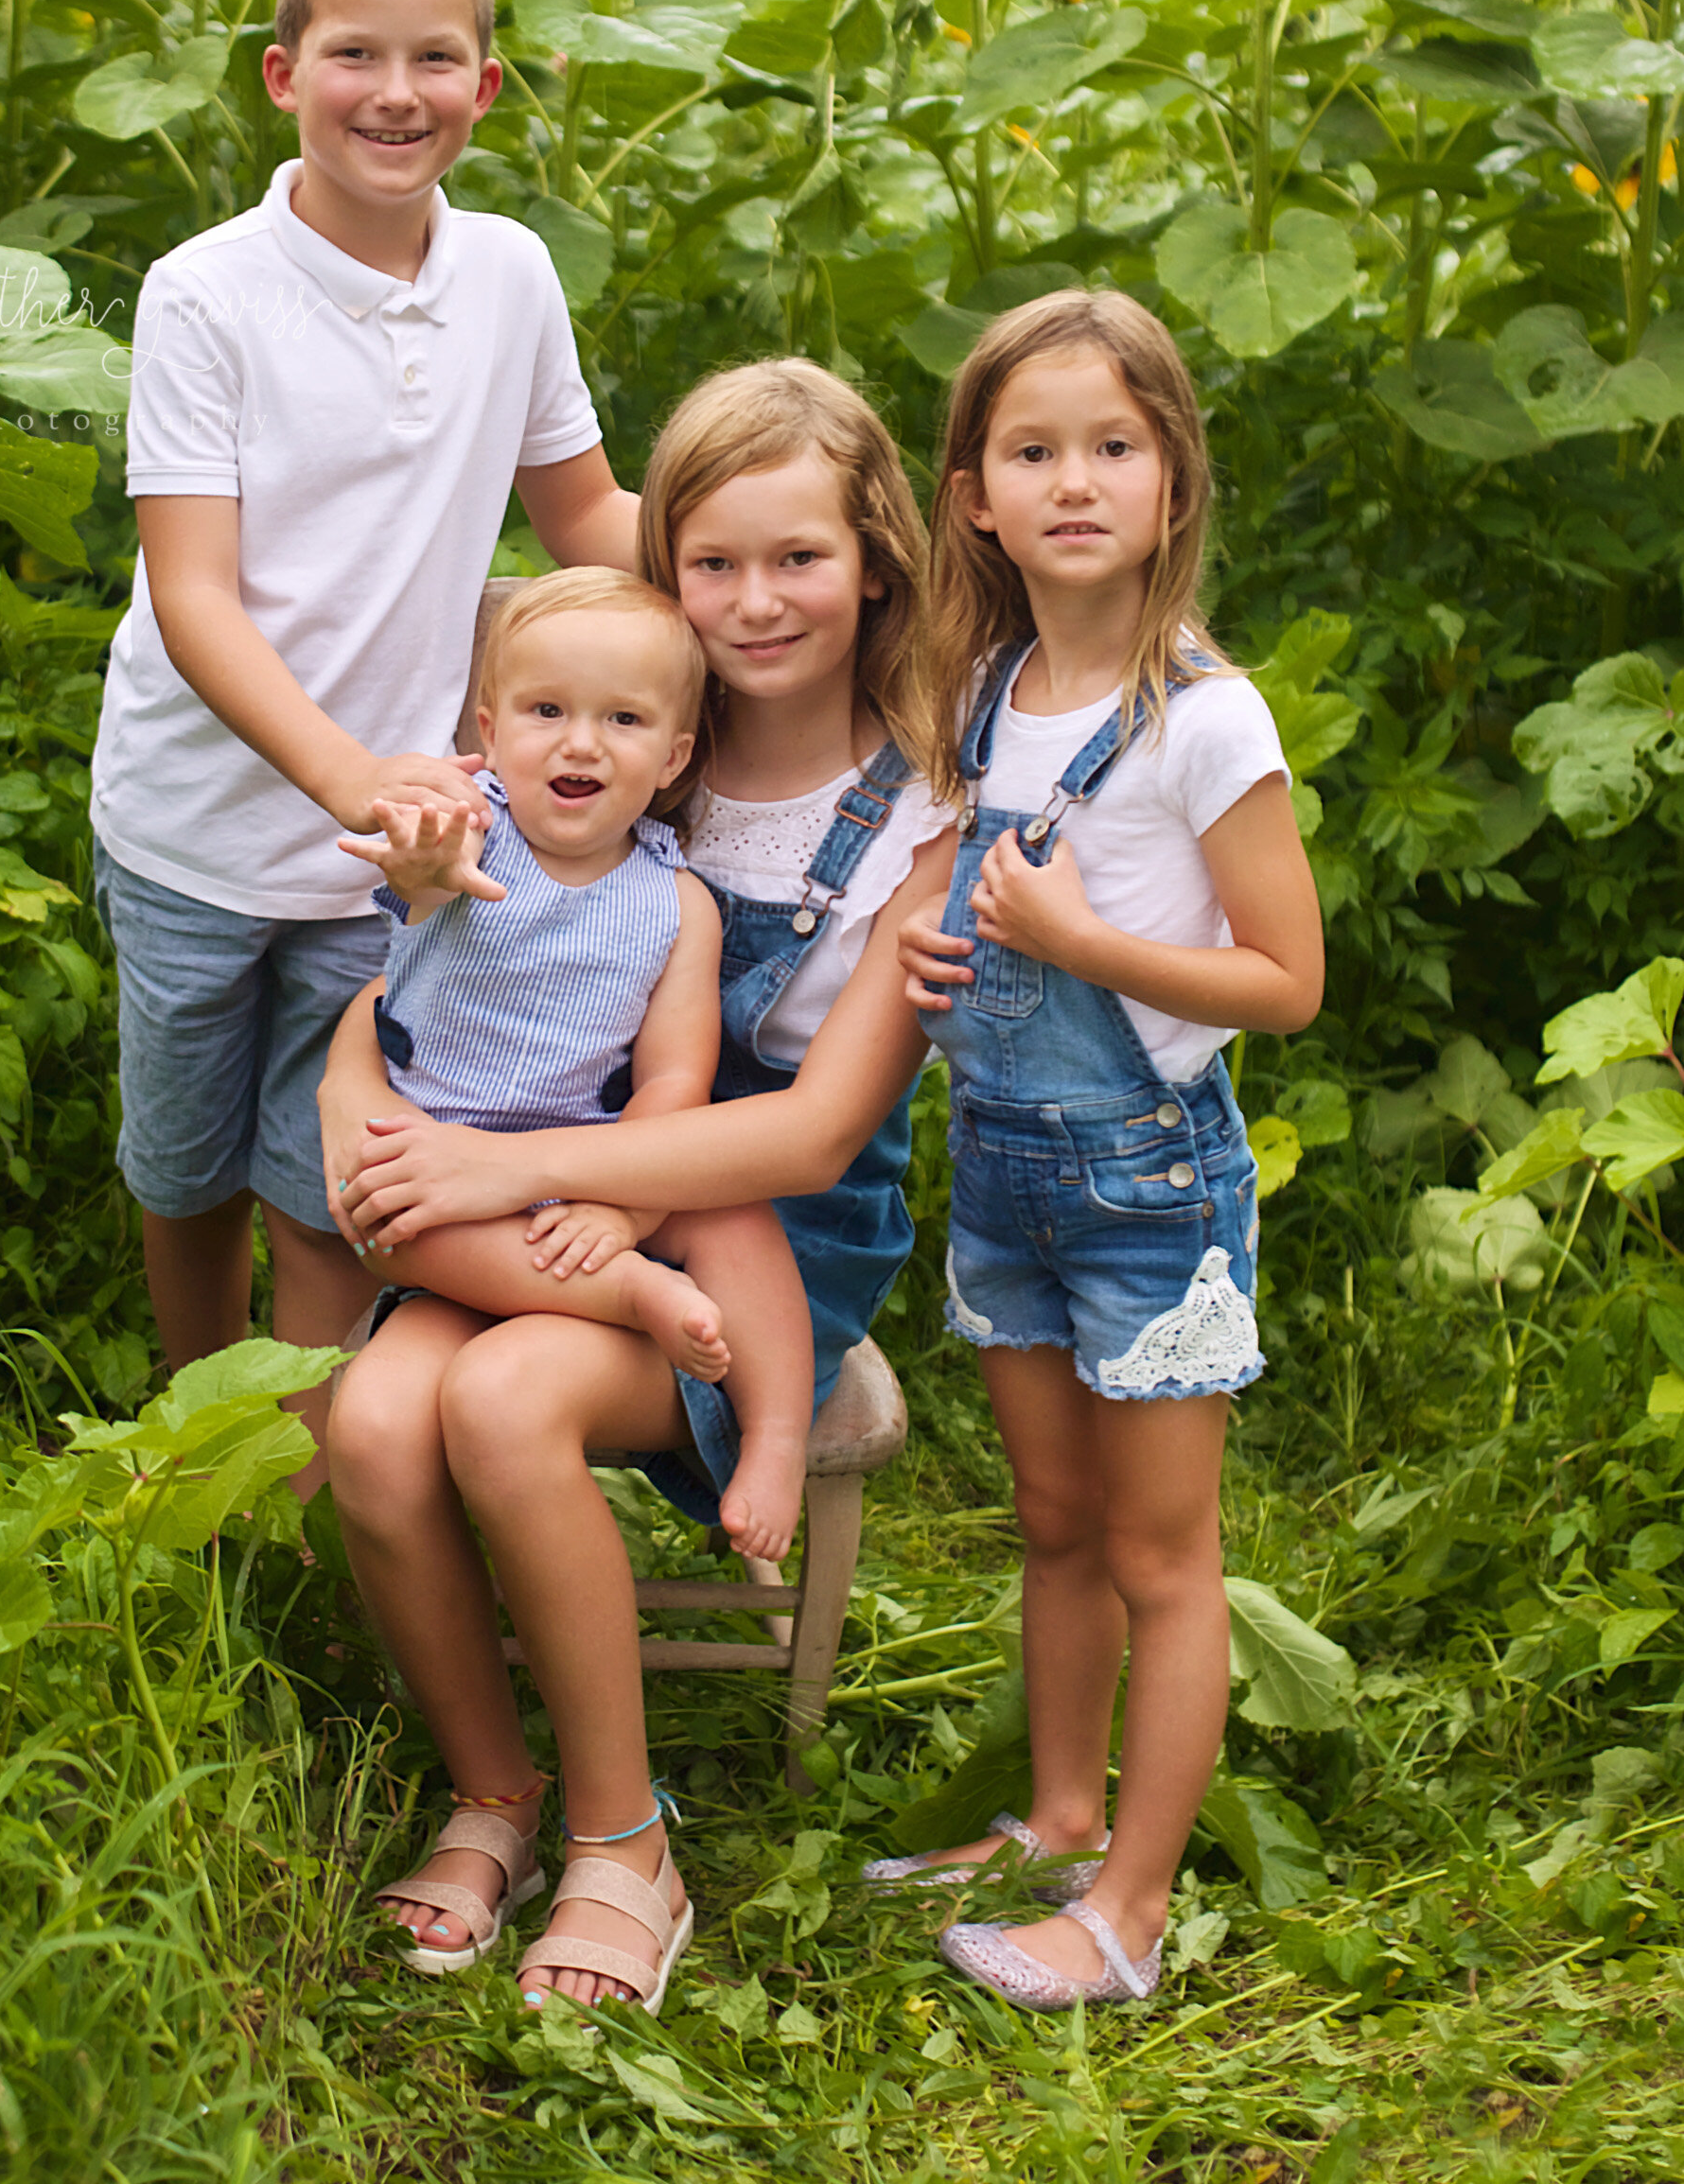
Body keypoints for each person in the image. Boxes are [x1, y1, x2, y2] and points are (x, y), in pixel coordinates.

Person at [321, 360, 956, 2006]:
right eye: (713, 563)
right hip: (525, 1187)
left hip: (764, 1221)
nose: (754, 603)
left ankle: (625, 1841)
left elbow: (807, 1135)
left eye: (798, 560)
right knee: (375, 1424)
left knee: (504, 1401)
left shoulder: (919, 814)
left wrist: (503, 1165)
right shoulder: (591, 749)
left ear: (871, 559)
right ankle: (496, 1795)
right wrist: (353, 1100)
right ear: (663, 567)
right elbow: (424, 972)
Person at [88, 0, 636, 1484]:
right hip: (203, 826)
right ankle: (195, 1455)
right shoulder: (207, 293)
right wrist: (347, 775)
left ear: (486, 86)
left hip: (398, 854)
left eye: (434, 58)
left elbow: (586, 520)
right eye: (353, 55)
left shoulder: (514, 276)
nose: (393, 93)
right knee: (185, 1172)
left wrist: (783, 550)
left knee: (328, 1180)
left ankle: (320, 1489)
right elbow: (194, 595)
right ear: (281, 75)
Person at [869, 288, 1324, 2011]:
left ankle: (1127, 1910)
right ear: (972, 493)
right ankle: (1057, 1815)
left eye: (1112, 447)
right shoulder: (984, 690)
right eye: (1032, 450)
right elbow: (960, 900)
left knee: (1157, 1553)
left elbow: (1282, 982)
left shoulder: (1203, 718)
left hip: (1143, 1180)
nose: (1074, 481)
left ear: (1170, 480)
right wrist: (932, 952)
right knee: (1051, 1525)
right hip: (1000, 1166)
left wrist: (1080, 946)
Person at [338, 566, 823, 1555]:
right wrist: (420, 863)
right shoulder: (471, 833)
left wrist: (627, 1209)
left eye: (622, 720)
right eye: (546, 709)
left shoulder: (676, 903)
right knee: (392, 1217)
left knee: (733, 1216)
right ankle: (627, 1296)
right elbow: (419, 878)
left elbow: (675, 1084)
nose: (578, 742)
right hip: (439, 1165)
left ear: (675, 753)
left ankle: (772, 1436)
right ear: (488, 724)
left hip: (589, 1168)